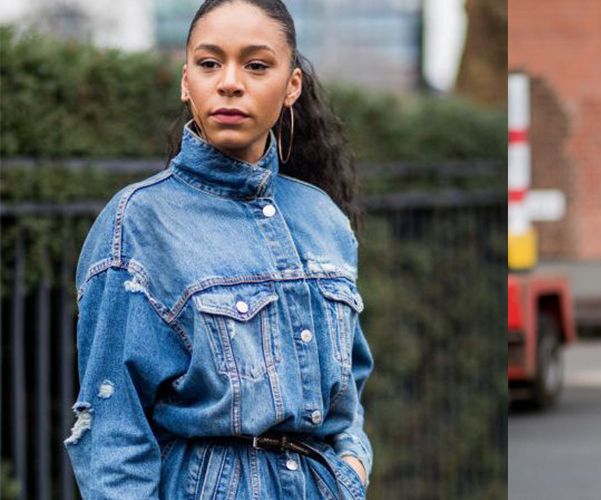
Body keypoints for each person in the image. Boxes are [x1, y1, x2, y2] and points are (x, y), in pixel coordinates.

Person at [63, 1, 373, 498]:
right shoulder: (138, 223)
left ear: (291, 85)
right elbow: (113, 435)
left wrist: (352, 465)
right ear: (186, 82)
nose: (230, 82)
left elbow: (348, 390)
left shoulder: (323, 220)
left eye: (256, 65)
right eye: (210, 64)